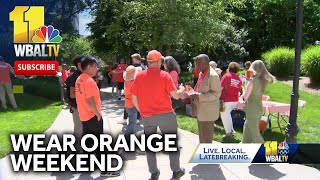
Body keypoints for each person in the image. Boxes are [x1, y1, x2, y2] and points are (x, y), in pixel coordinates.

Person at [131, 50, 186, 180]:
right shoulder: (165, 76)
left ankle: (154, 173)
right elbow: (175, 95)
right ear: (156, 61)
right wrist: (182, 89)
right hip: (166, 115)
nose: (162, 62)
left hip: (148, 117)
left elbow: (133, 97)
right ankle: (176, 171)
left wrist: (142, 111)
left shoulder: (139, 76)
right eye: (161, 60)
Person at [75, 56, 120, 177]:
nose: (97, 68)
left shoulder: (79, 79)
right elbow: (90, 101)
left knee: (88, 141)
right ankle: (105, 170)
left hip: (84, 115)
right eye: (95, 66)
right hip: (92, 116)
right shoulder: (89, 81)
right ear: (89, 67)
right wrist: (98, 113)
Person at [241, 60, 276, 143]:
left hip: (252, 108)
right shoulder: (264, 80)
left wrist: (243, 88)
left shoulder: (252, 81)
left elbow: (244, 97)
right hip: (258, 108)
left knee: (255, 134)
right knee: (247, 126)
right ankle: (244, 145)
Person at [190, 54, 221, 143]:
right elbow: (199, 87)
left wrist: (199, 96)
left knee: (206, 139)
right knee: (202, 138)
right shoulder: (201, 73)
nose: (196, 66)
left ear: (206, 63)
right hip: (201, 110)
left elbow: (216, 94)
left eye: (198, 64)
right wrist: (192, 92)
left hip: (208, 112)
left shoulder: (213, 76)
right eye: (196, 63)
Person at [65, 55, 85, 152]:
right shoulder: (73, 78)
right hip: (77, 107)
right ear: (79, 65)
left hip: (85, 107)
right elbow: (72, 95)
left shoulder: (84, 75)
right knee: (78, 128)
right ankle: (77, 148)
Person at [220, 62, 242, 137]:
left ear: (229, 68)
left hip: (226, 99)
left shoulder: (226, 76)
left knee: (224, 115)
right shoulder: (239, 78)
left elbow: (220, 88)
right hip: (235, 100)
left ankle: (228, 133)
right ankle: (231, 130)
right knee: (227, 114)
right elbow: (238, 90)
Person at [123, 65, 142, 137]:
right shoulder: (133, 84)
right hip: (132, 104)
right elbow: (135, 98)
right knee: (132, 122)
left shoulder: (126, 82)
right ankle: (127, 136)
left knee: (131, 120)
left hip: (127, 104)